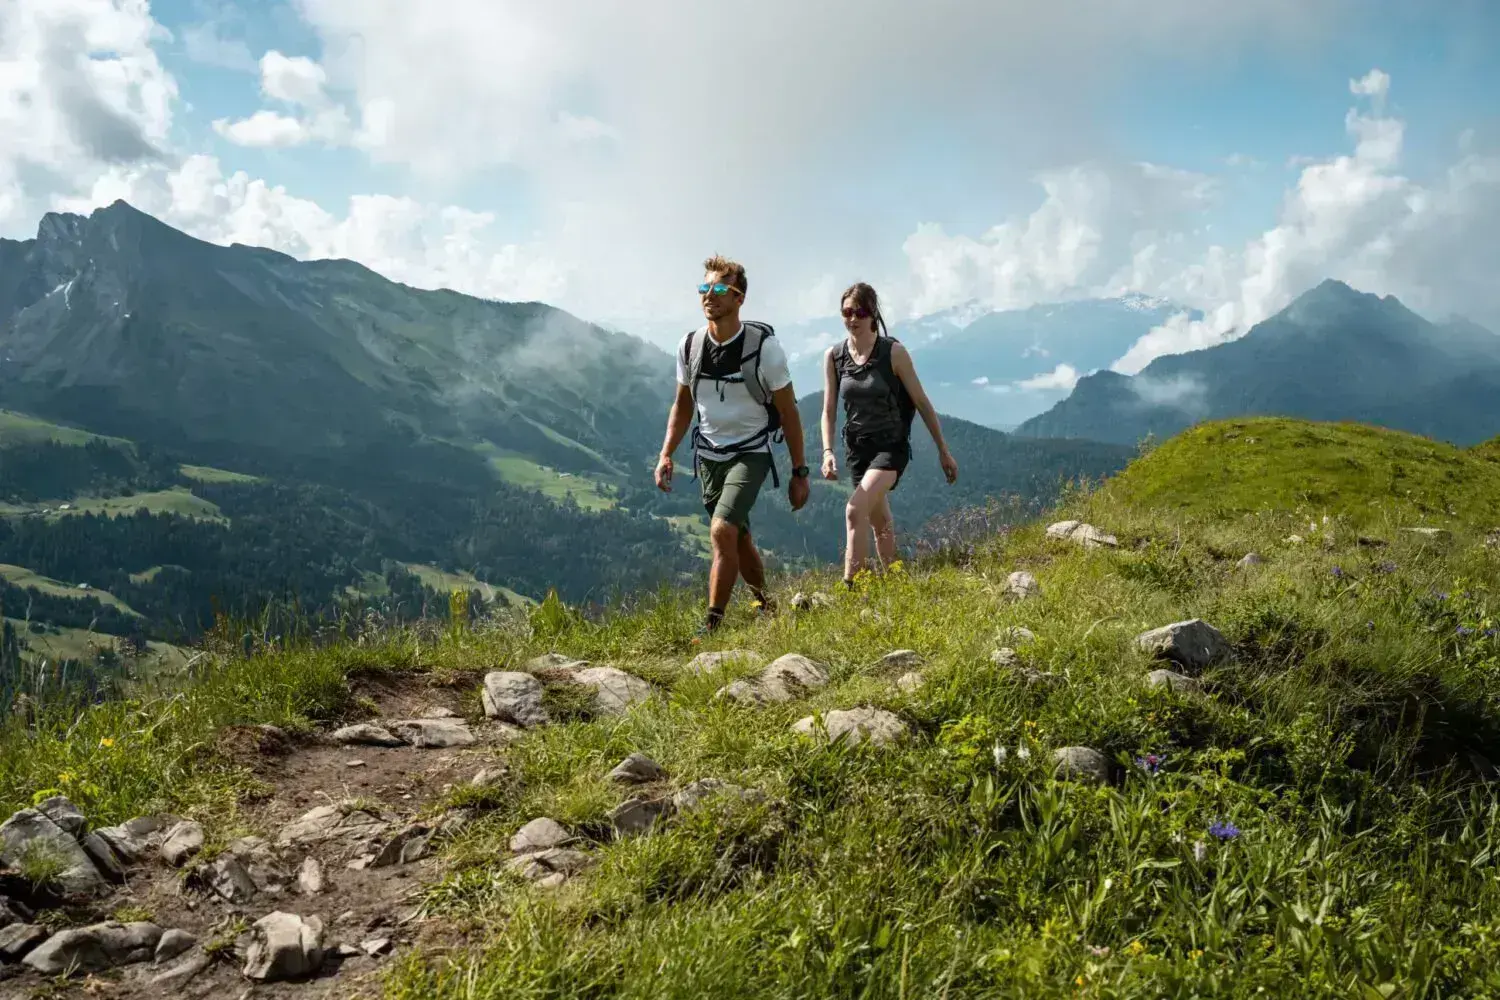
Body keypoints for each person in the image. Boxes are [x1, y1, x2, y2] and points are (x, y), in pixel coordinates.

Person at [656, 255, 810, 633]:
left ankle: (712, 625)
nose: (709, 296)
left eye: (720, 289)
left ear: (739, 299)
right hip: (707, 455)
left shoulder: (765, 349)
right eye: (704, 288)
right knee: (738, 538)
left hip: (750, 453)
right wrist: (666, 454)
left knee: (723, 530)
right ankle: (765, 605)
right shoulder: (690, 347)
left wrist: (799, 471)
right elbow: (683, 403)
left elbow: (789, 413)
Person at [821, 281, 957, 585]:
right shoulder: (834, 356)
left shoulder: (892, 353)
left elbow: (921, 402)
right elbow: (828, 410)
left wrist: (943, 450)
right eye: (847, 312)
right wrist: (828, 451)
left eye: (861, 311)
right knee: (879, 523)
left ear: (873, 314)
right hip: (857, 449)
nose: (853, 318)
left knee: (855, 509)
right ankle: (896, 583)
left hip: (890, 447)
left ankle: (852, 588)